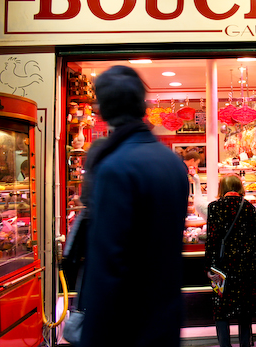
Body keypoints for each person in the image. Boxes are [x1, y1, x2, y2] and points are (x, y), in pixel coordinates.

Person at [80, 66, 189, 347]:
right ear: (142, 105)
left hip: (124, 327)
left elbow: (108, 265)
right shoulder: (172, 163)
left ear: (103, 110)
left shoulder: (113, 167)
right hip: (165, 319)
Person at [205, 175, 256, 347]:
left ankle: (224, 344)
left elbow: (212, 239)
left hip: (222, 267)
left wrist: (208, 267)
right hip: (245, 267)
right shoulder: (249, 207)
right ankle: (245, 344)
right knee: (244, 310)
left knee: (221, 311)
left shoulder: (214, 208)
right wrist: (249, 252)